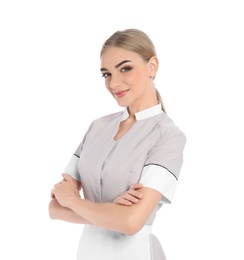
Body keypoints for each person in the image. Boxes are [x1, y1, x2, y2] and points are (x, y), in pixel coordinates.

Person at [49, 28, 186, 260]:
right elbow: (54, 209)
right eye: (106, 74)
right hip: (88, 253)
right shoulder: (97, 127)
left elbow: (131, 222)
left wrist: (73, 200)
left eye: (125, 68)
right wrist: (112, 212)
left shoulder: (168, 136)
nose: (114, 83)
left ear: (152, 66)